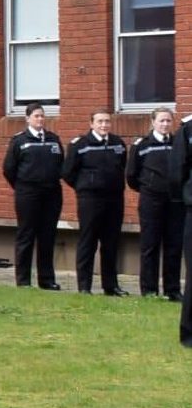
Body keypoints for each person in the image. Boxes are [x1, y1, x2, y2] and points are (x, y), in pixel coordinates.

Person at [64, 110, 128, 297]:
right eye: (100, 121)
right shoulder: (79, 145)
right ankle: (85, 286)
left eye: (107, 121)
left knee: (111, 243)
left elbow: (122, 167)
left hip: (114, 199)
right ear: (91, 124)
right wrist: (84, 187)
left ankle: (111, 286)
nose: (104, 125)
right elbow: (68, 172)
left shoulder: (118, 144)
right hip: (90, 200)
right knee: (88, 242)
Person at [3, 103, 64, 290]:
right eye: (36, 116)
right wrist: (23, 186)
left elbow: (61, 164)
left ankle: (46, 279)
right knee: (26, 235)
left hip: (51, 192)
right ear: (28, 119)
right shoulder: (20, 141)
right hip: (28, 193)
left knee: (47, 236)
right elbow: (9, 169)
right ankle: (23, 280)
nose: (40, 119)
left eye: (42, 116)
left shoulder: (53, 139)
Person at [131, 111, 183, 299]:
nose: (165, 124)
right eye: (161, 120)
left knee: (174, 246)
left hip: (175, 202)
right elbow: (132, 176)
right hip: (151, 201)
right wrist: (150, 188)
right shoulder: (142, 145)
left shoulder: (179, 143)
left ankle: (173, 289)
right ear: (153, 122)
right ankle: (149, 289)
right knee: (150, 245)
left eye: (169, 120)